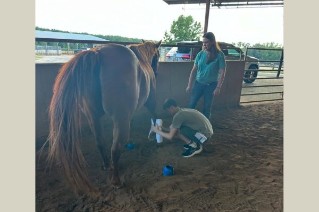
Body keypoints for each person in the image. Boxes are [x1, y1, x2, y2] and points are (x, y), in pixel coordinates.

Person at [186, 32, 226, 119]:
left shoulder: (219, 55)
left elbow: (222, 72)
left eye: (206, 42)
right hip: (198, 83)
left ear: (212, 42)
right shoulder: (200, 54)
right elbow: (193, 70)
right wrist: (189, 85)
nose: (204, 44)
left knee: (207, 107)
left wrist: (218, 87)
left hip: (211, 85)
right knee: (192, 104)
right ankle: (188, 121)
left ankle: (206, 126)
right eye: (203, 42)